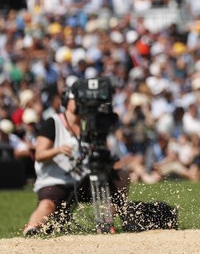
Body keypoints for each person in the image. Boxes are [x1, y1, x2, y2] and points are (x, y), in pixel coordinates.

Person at [23, 82, 129, 236]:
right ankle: (31, 229)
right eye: (77, 99)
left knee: (122, 176)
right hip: (55, 180)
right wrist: (57, 150)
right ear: (67, 101)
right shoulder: (53, 123)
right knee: (47, 205)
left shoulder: (90, 126)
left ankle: (107, 223)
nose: (81, 103)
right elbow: (39, 155)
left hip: (82, 179)